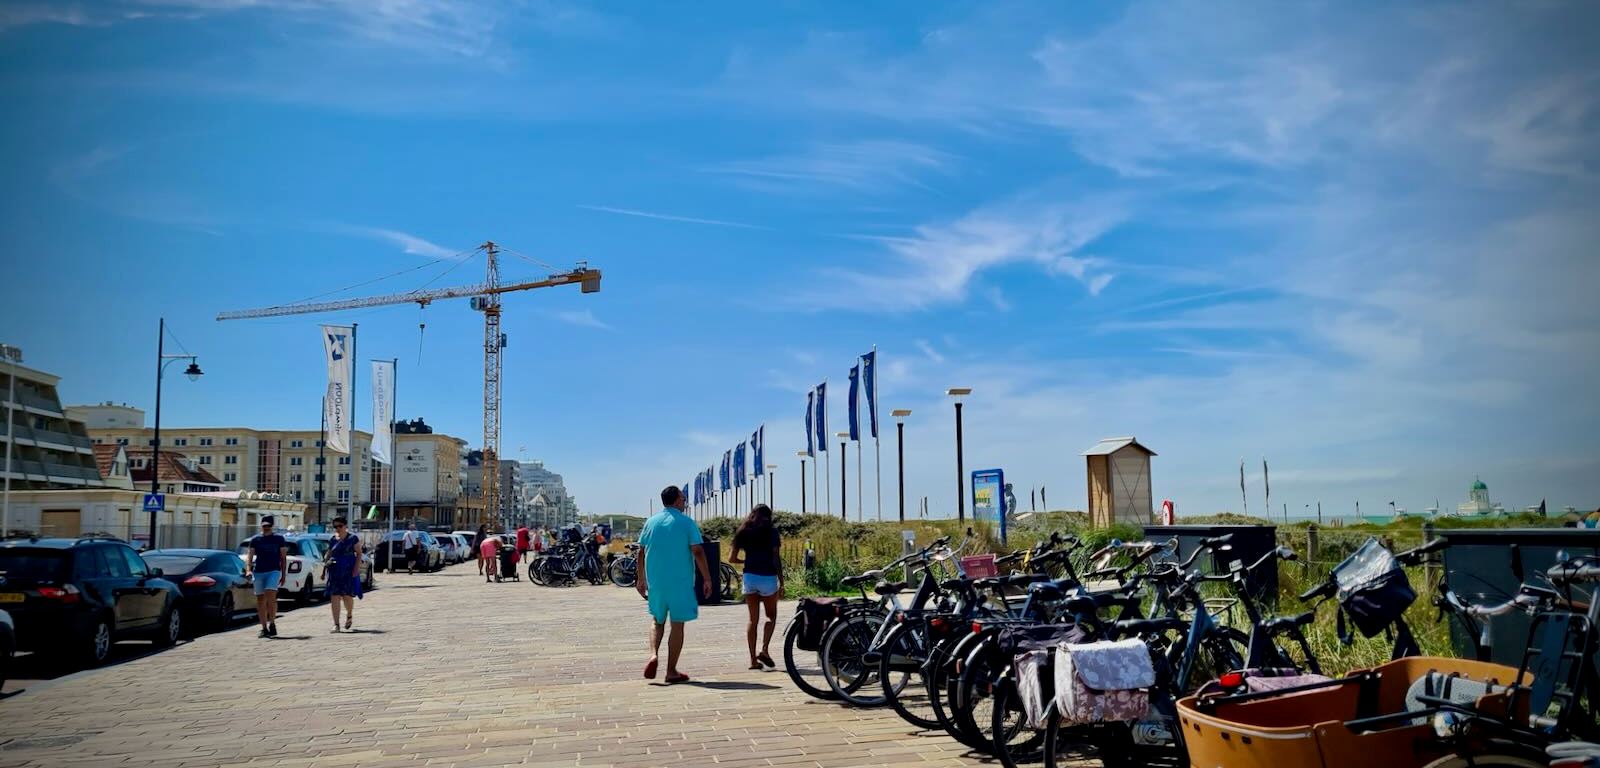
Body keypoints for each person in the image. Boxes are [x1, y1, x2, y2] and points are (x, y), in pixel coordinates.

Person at [637, 485, 712, 684]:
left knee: (657, 621)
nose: (685, 501)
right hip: (680, 582)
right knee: (677, 625)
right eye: (683, 498)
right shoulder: (687, 523)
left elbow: (641, 552)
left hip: (656, 582)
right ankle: (671, 671)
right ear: (677, 500)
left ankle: (653, 654)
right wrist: (707, 578)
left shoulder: (651, 522)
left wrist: (640, 578)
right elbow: (697, 551)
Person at [728, 503, 783, 670]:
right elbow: (776, 558)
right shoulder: (772, 532)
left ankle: (753, 660)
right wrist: (782, 582)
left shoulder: (743, 531)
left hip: (750, 577)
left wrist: (747, 561)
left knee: (753, 619)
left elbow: (731, 558)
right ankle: (764, 650)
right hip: (767, 577)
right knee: (770, 617)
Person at [244, 515, 288, 638]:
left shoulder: (279, 539)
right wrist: (249, 570)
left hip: (273, 570)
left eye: (268, 526)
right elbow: (250, 556)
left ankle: (272, 622)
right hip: (259, 571)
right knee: (260, 599)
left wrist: (283, 575)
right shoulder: (256, 540)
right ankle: (264, 627)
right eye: (264, 526)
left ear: (272, 526)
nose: (266, 528)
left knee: (270, 594)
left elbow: (283, 558)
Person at [325, 516, 363, 632]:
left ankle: (349, 615)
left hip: (348, 570)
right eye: (335, 526)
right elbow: (330, 553)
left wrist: (356, 569)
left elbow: (359, 553)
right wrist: (326, 561)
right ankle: (336, 624)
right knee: (334, 596)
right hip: (335, 571)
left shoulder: (352, 538)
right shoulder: (332, 539)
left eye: (340, 526)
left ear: (345, 526)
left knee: (347, 596)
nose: (338, 528)